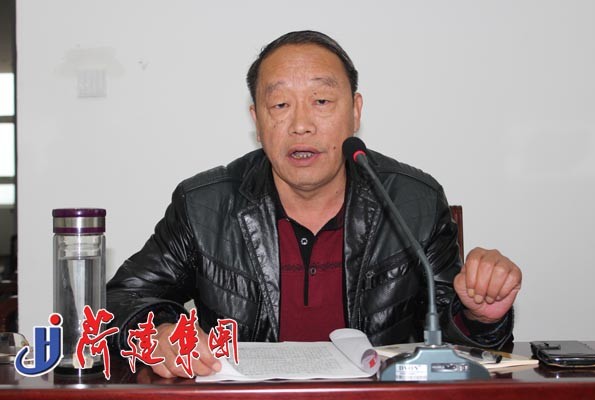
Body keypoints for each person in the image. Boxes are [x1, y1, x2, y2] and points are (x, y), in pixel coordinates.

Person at [107, 30, 522, 379]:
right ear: (257, 120)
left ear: (355, 111)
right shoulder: (205, 207)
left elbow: (453, 350)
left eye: (321, 102)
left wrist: (481, 317)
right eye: (280, 105)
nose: (301, 125)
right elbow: (120, 301)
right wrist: (156, 333)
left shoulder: (413, 201)